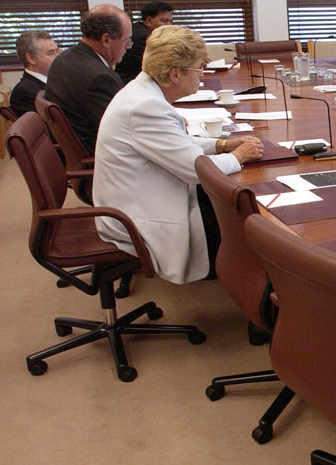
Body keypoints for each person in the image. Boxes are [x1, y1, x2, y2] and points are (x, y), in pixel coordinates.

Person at [93, 25, 264, 284]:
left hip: (141, 194)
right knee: (244, 226)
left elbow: (174, 143)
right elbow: (195, 171)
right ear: (175, 74)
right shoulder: (146, 107)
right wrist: (239, 156)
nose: (202, 76)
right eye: (199, 69)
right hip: (137, 216)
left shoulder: (143, 92)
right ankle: (256, 299)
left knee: (232, 205)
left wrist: (221, 145)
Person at [45, 4, 131, 153]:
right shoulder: (99, 78)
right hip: (103, 156)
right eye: (126, 41)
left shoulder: (64, 58)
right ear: (106, 40)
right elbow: (125, 131)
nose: (128, 47)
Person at [115, 0, 174, 84]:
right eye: (164, 21)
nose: (169, 25)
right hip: (130, 85)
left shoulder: (137, 29)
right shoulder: (144, 37)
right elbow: (158, 66)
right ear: (149, 20)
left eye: (170, 21)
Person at [9, 31, 59, 116]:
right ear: (31, 58)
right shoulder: (23, 93)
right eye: (51, 53)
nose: (58, 56)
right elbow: (51, 127)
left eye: (57, 51)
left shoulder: (57, 82)